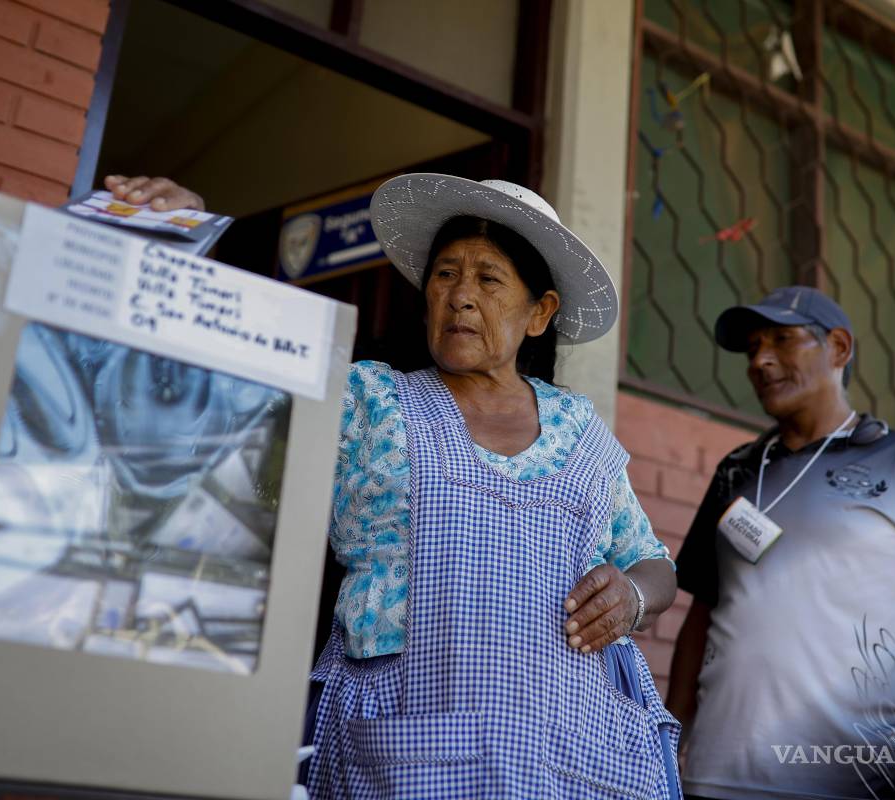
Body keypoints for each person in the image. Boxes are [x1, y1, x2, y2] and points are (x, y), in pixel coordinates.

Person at [104, 172, 683, 798]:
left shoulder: (579, 427)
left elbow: (655, 564)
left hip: (574, 753)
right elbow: (231, 417)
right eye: (445, 275)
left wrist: (631, 595)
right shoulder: (370, 400)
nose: (461, 296)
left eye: (489, 279)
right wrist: (188, 247)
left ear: (539, 313)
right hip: (404, 748)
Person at [666, 287, 895, 800]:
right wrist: (667, 740)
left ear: (838, 348)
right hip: (712, 778)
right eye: (752, 346)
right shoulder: (736, 471)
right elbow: (702, 614)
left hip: (848, 780)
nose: (761, 359)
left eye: (781, 339)